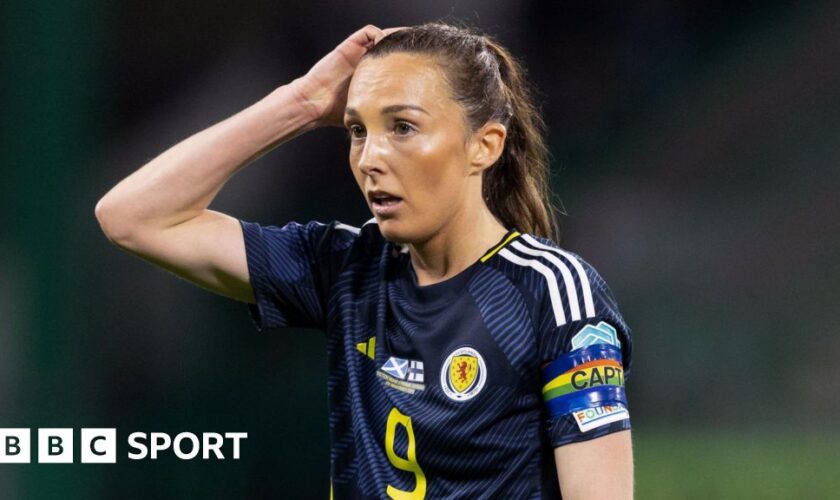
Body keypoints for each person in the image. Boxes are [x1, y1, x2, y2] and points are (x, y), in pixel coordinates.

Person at [95, 22, 634, 499]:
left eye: (402, 127)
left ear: (485, 146)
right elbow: (133, 217)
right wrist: (301, 103)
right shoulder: (346, 267)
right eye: (357, 130)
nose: (371, 158)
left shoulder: (554, 295)